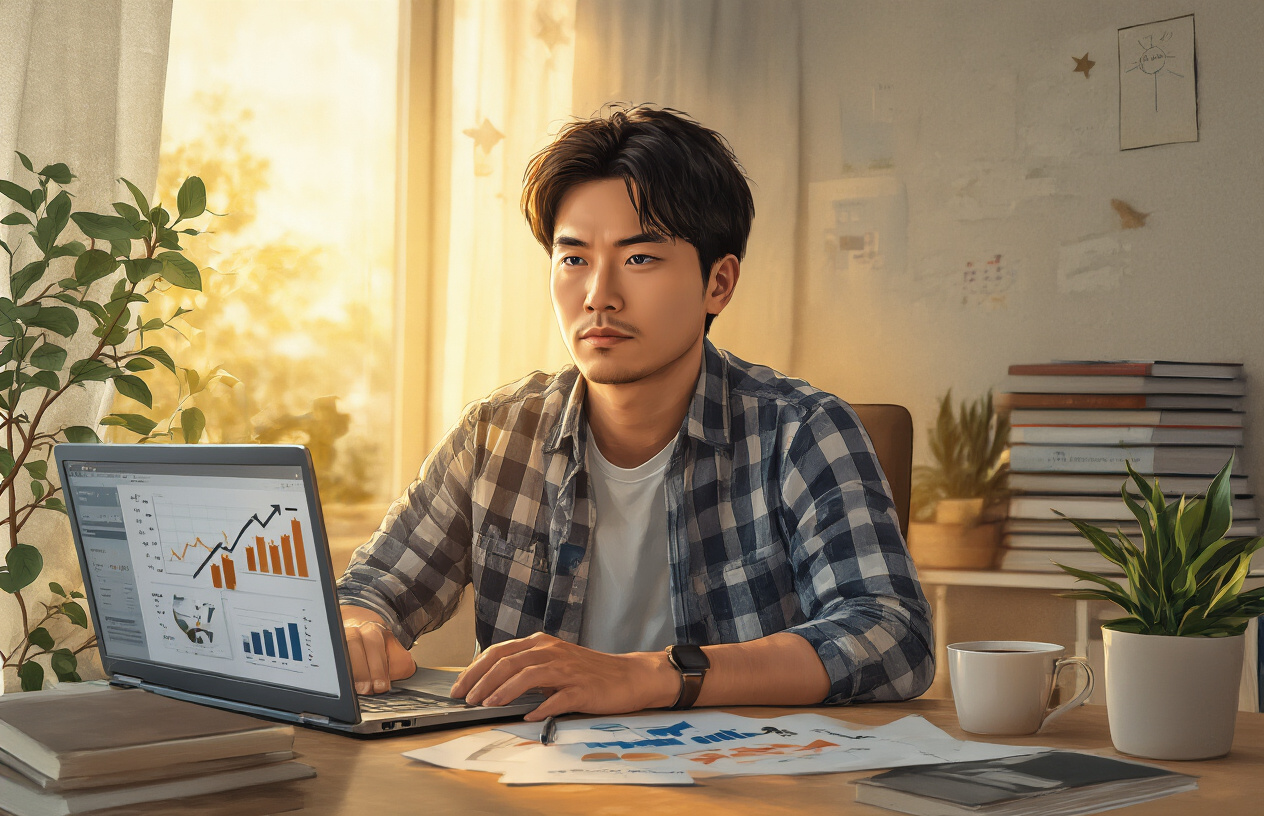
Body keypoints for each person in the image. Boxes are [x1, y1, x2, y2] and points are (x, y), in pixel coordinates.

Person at [336, 104, 934, 722]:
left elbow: (893, 637)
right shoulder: (497, 435)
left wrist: (654, 674)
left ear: (719, 283)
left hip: (743, 781)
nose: (599, 296)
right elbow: (368, 593)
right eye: (574, 259)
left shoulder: (802, 432)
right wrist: (357, 626)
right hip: (531, 781)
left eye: (639, 258)